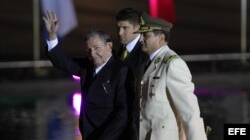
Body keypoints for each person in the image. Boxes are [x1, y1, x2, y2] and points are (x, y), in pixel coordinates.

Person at [43, 11, 130, 140]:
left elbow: (122, 113)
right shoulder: (87, 66)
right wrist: (52, 35)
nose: (93, 54)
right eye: (89, 50)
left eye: (96, 48)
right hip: (88, 133)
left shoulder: (120, 70)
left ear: (109, 46)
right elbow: (62, 62)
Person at [135, 12, 208, 140]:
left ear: (161, 38)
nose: (140, 39)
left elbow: (189, 113)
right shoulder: (147, 63)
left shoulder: (173, 64)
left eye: (145, 35)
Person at [116, 8, 149, 140]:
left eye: (125, 28)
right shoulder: (120, 52)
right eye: (118, 28)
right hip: (121, 122)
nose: (120, 33)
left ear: (138, 27)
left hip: (136, 122)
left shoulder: (144, 54)